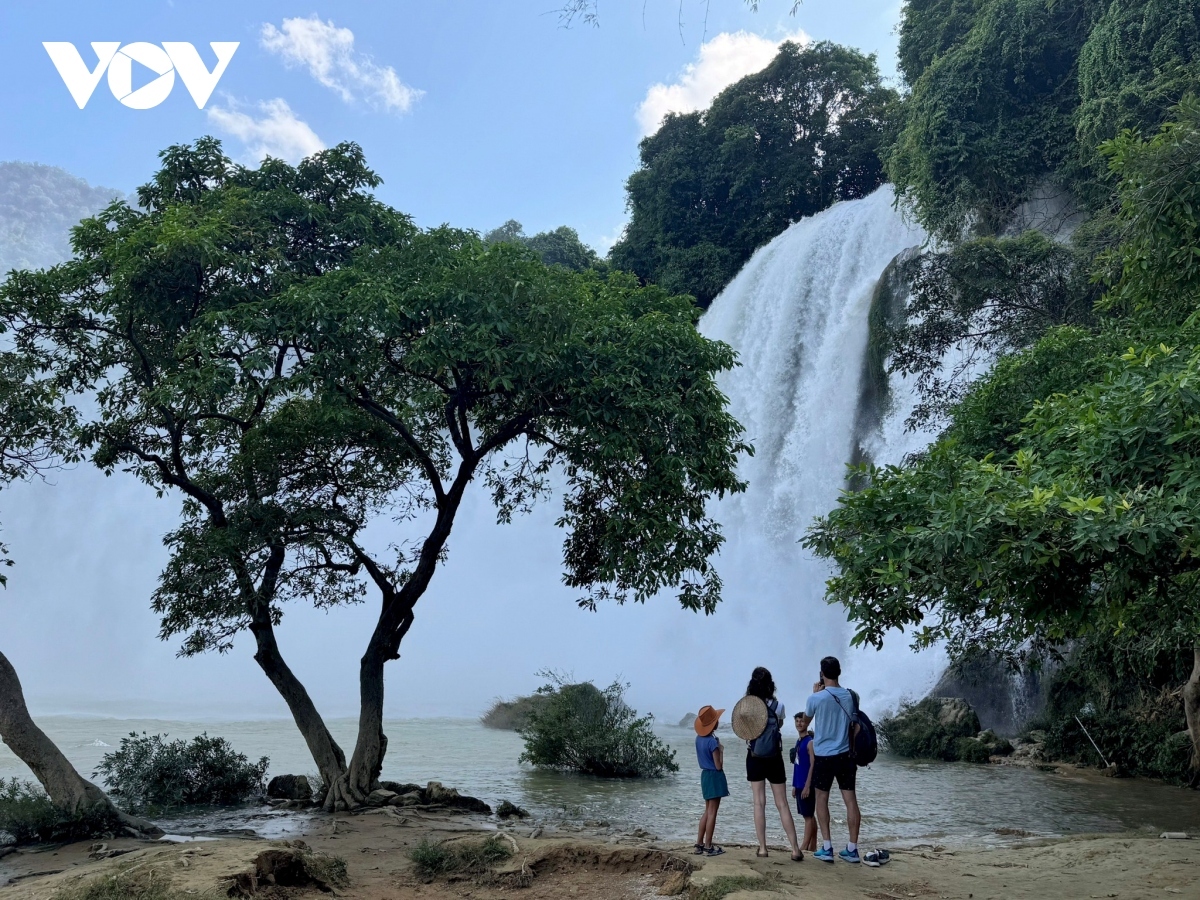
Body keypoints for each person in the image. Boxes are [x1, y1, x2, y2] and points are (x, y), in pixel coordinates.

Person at [805, 656, 863, 864]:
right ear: (839, 672)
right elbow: (854, 724)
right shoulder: (849, 696)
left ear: (822, 674)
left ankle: (827, 846)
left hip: (823, 756)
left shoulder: (816, 698)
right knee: (850, 800)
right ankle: (852, 849)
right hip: (846, 755)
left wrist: (815, 694)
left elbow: (805, 720)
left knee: (822, 799)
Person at [743, 667, 803, 861]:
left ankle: (762, 848)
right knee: (782, 804)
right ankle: (795, 849)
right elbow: (779, 726)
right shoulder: (779, 706)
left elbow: (745, 731)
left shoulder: (748, 707)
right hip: (774, 757)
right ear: (771, 685)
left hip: (754, 757)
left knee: (759, 803)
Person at [693, 704, 728, 857]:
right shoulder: (712, 742)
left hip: (705, 776)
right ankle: (708, 846)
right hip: (714, 776)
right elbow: (718, 766)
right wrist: (721, 751)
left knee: (707, 811)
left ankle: (699, 844)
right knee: (713, 812)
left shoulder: (698, 739)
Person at [790, 711, 817, 852]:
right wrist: (795, 785)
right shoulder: (798, 742)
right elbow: (797, 765)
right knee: (809, 815)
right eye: (797, 721)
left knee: (808, 816)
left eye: (802, 721)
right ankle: (813, 845)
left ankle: (804, 846)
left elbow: (813, 764)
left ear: (807, 723)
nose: (799, 723)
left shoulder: (809, 742)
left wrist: (807, 786)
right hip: (799, 784)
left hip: (807, 785)